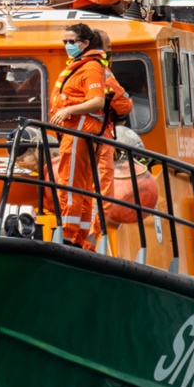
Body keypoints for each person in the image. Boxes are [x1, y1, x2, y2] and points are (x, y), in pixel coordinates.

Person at [49, 23, 107, 246]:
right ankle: (79, 237)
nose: (67, 45)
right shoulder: (78, 65)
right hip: (72, 132)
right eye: (65, 41)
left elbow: (97, 101)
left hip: (78, 131)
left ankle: (68, 236)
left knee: (70, 185)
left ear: (84, 43)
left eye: (71, 41)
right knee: (79, 187)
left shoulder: (90, 67)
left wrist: (68, 110)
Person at [86, 29, 134, 245]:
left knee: (78, 190)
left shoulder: (69, 70)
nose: (109, 56)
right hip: (99, 139)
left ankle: (73, 236)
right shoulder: (101, 72)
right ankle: (91, 239)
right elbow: (124, 105)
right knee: (104, 193)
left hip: (74, 141)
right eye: (108, 51)